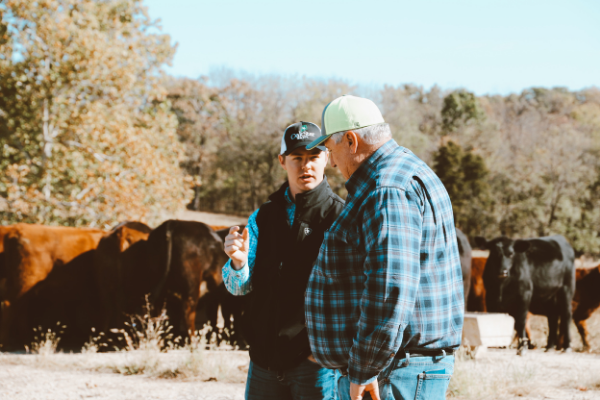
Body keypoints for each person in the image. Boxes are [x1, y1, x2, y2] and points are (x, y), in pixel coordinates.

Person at [304, 95, 464, 400]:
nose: (332, 161)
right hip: (399, 367)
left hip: (391, 372)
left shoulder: (386, 189)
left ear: (351, 141)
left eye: (331, 149)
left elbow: (391, 286)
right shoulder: (403, 171)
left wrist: (364, 368)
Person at [222, 121, 345, 400]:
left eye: (314, 157)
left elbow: (354, 291)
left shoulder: (340, 216)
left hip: (316, 365)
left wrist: (325, 352)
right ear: (282, 161)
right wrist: (238, 263)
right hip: (263, 361)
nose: (306, 166)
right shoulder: (263, 217)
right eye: (297, 158)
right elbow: (238, 287)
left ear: (326, 157)